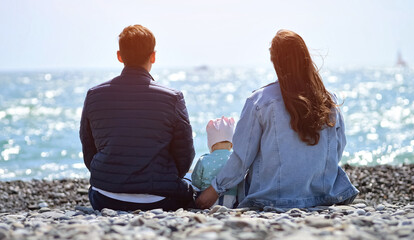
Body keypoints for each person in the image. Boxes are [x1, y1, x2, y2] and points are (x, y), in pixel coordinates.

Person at [196, 30, 359, 209]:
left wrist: (212, 191)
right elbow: (337, 150)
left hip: (271, 199)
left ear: (274, 60)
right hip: (323, 196)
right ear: (306, 58)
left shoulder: (259, 102)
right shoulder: (329, 100)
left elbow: (242, 159)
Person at [80, 24, 195, 211]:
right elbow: (185, 153)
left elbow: (88, 148)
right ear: (153, 56)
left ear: (119, 56)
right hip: (160, 199)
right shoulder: (172, 97)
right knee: (192, 182)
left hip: (105, 196)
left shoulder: (94, 95)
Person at [191, 117, 237, 208]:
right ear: (231, 144)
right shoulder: (235, 159)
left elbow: (196, 181)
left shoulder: (204, 159)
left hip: (207, 201)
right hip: (231, 201)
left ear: (211, 144)